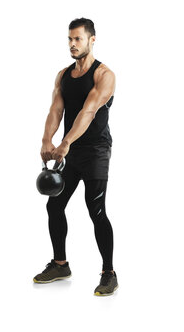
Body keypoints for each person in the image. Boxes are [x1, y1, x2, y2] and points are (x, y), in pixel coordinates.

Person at [33, 17, 118, 296]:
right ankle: (60, 264)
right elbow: (55, 111)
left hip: (95, 151)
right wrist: (47, 139)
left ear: (92, 40)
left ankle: (109, 273)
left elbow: (88, 111)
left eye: (78, 39)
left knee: (96, 210)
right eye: (70, 39)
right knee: (54, 206)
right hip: (70, 151)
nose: (72, 44)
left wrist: (66, 140)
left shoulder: (104, 75)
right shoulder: (63, 75)